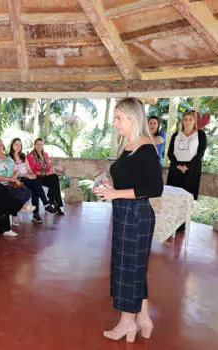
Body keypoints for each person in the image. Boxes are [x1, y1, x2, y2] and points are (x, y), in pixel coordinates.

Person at [93, 97, 163, 343]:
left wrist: (115, 194)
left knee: (127, 270)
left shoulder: (146, 148)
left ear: (132, 118)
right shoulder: (130, 147)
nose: (114, 123)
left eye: (118, 118)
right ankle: (143, 318)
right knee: (135, 269)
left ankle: (127, 323)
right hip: (125, 213)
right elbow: (128, 181)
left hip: (137, 215)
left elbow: (154, 188)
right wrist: (109, 187)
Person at [0, 138, 34, 226]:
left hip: (12, 181)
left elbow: (16, 169)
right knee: (13, 192)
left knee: (28, 190)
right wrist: (9, 179)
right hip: (0, 184)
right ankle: (21, 207)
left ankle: (18, 208)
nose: (0, 147)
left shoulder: (7, 157)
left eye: (1, 145)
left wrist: (14, 178)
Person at [9, 138, 57, 223]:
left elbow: (28, 168)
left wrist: (31, 174)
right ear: (12, 145)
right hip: (18, 179)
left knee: (35, 184)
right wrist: (26, 175)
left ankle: (38, 212)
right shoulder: (9, 157)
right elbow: (11, 173)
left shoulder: (23, 156)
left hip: (27, 177)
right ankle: (44, 206)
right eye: (16, 144)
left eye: (20, 144)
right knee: (35, 185)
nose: (18, 146)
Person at [167, 110, 207, 202]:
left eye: (190, 119)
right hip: (175, 169)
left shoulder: (200, 134)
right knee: (172, 198)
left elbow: (200, 153)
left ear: (194, 121)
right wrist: (178, 165)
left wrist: (187, 166)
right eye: (185, 119)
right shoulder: (176, 135)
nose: (187, 122)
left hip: (192, 169)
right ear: (182, 121)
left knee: (187, 199)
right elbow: (170, 153)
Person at [27, 138, 65, 215]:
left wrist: (53, 169)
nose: (40, 146)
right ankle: (54, 203)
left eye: (41, 144)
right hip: (36, 177)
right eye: (38, 144)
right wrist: (47, 173)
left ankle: (53, 202)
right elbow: (33, 171)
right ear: (34, 145)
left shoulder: (45, 155)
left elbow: (48, 168)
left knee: (54, 178)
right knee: (52, 181)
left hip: (44, 177)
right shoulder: (30, 156)